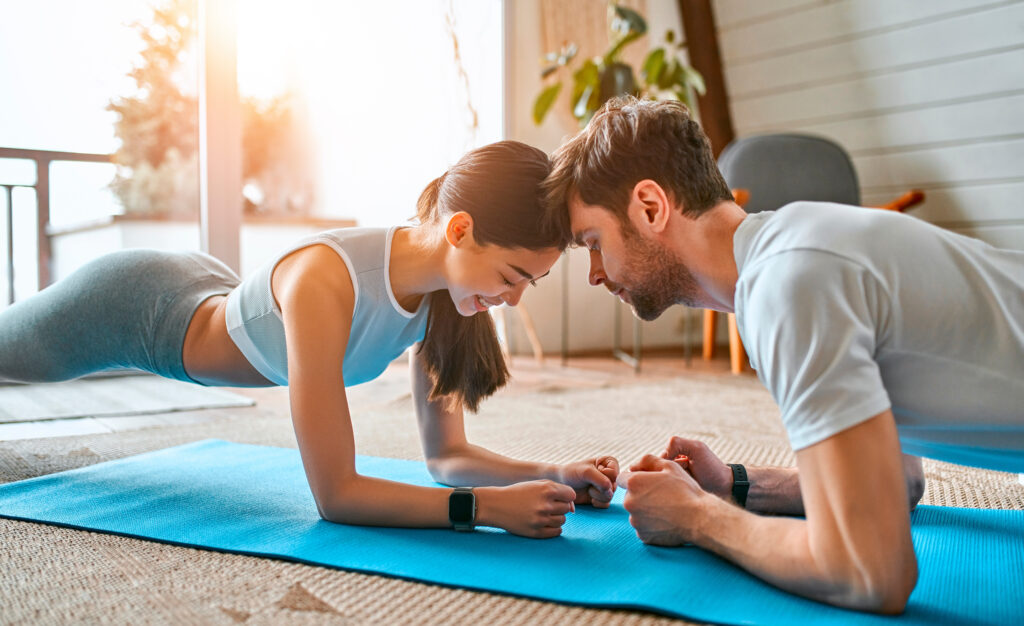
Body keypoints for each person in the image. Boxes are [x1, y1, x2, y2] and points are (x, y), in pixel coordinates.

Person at [542, 96, 1024, 612]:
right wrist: (733, 484)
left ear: (651, 207)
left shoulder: (790, 284)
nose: (594, 272)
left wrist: (698, 517)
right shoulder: (790, 253)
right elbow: (901, 483)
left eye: (593, 241)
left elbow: (872, 571)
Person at [0, 140, 620, 538]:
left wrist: (553, 471)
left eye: (529, 285)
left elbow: (446, 458)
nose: (512, 299)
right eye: (513, 277)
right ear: (459, 230)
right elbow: (336, 494)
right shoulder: (326, 280)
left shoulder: (446, 301)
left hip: (209, 290)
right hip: (137, 307)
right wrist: (483, 509)